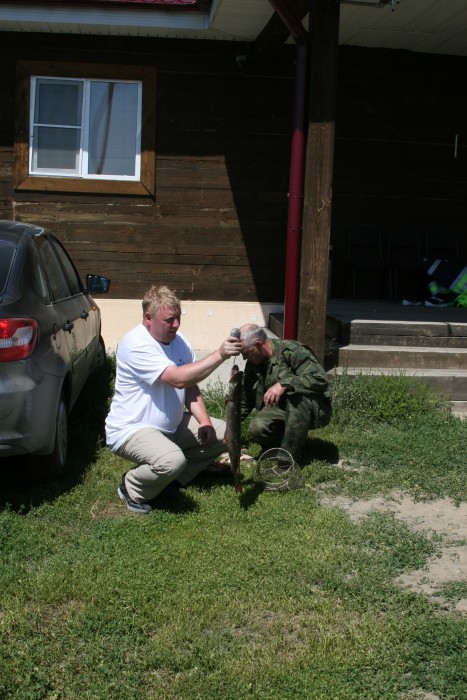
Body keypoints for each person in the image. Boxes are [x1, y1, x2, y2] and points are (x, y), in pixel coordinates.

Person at [105, 286, 242, 513]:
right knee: (172, 460)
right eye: (170, 320)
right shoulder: (136, 344)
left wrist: (205, 421)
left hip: (172, 425)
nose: (177, 325)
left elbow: (189, 386)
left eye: (179, 318)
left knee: (225, 435)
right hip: (132, 429)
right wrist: (219, 355)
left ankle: (174, 479)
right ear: (148, 318)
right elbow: (177, 379)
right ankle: (132, 486)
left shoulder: (179, 341)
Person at [238, 324, 332, 465]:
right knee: (257, 427)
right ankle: (283, 446)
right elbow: (246, 399)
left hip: (311, 407)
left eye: (245, 353)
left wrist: (284, 383)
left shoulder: (292, 351)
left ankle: (287, 462)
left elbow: (320, 379)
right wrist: (226, 429)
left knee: (297, 397)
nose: (244, 358)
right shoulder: (254, 362)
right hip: (280, 409)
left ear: (258, 344)